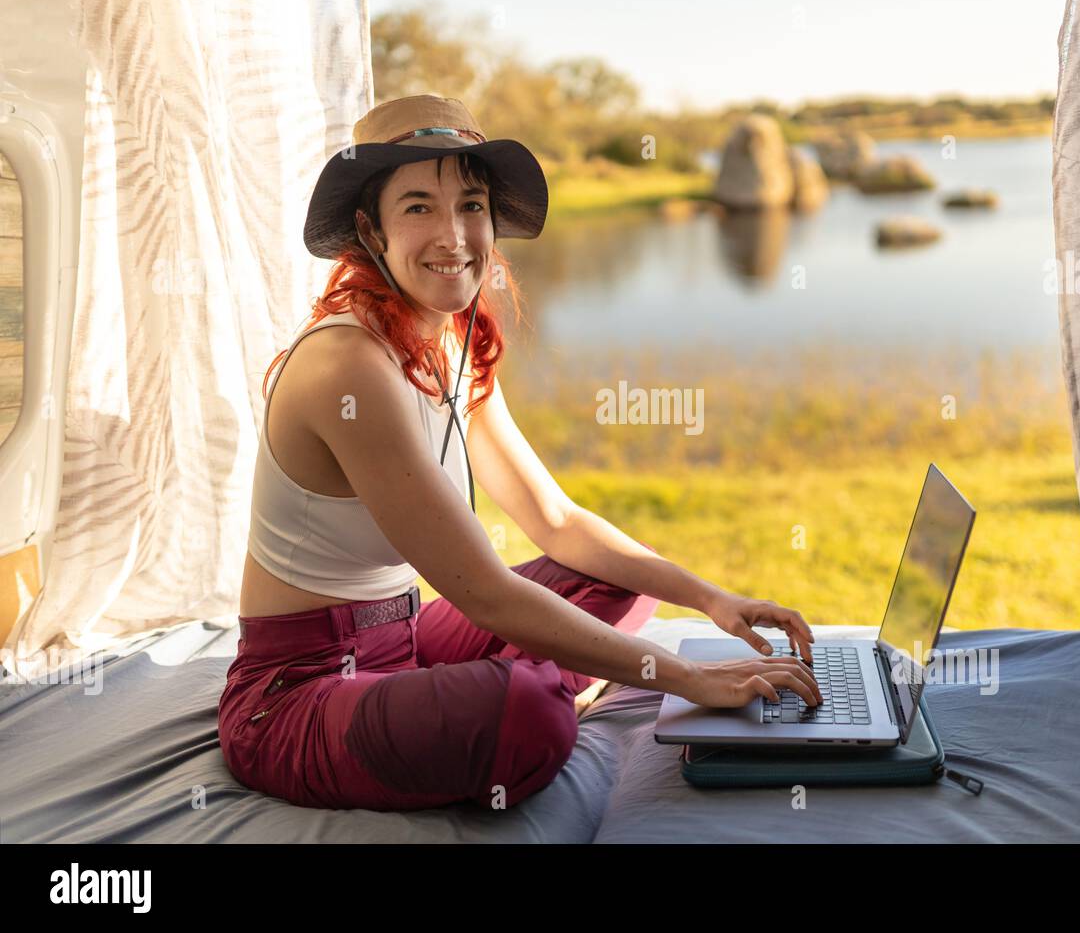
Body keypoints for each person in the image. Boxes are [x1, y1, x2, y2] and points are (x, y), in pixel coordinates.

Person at [218, 94, 822, 811]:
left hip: (404, 637)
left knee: (613, 582)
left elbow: (556, 521)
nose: (453, 235)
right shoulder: (348, 366)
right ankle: (530, 686)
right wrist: (689, 680)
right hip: (299, 693)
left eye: (470, 204)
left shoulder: (451, 340)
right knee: (529, 711)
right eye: (417, 207)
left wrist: (710, 598)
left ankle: (520, 679)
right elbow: (487, 593)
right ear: (367, 229)